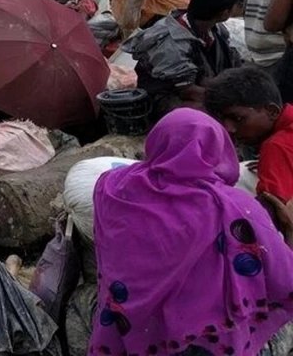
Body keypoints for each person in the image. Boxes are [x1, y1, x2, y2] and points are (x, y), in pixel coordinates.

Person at [89, 109, 293, 356]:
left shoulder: (111, 188)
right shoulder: (233, 206)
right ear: (217, 149)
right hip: (206, 338)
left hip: (131, 325)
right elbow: (283, 276)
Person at [122, 0, 244, 118]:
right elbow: (188, 91)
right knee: (209, 114)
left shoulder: (214, 29)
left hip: (200, 83)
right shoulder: (171, 43)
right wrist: (230, 101)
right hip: (167, 96)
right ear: (224, 13)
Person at [205, 67, 293, 203]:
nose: (229, 129)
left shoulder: (276, 147)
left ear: (272, 111)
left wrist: (274, 161)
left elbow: (278, 212)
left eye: (238, 118)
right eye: (222, 121)